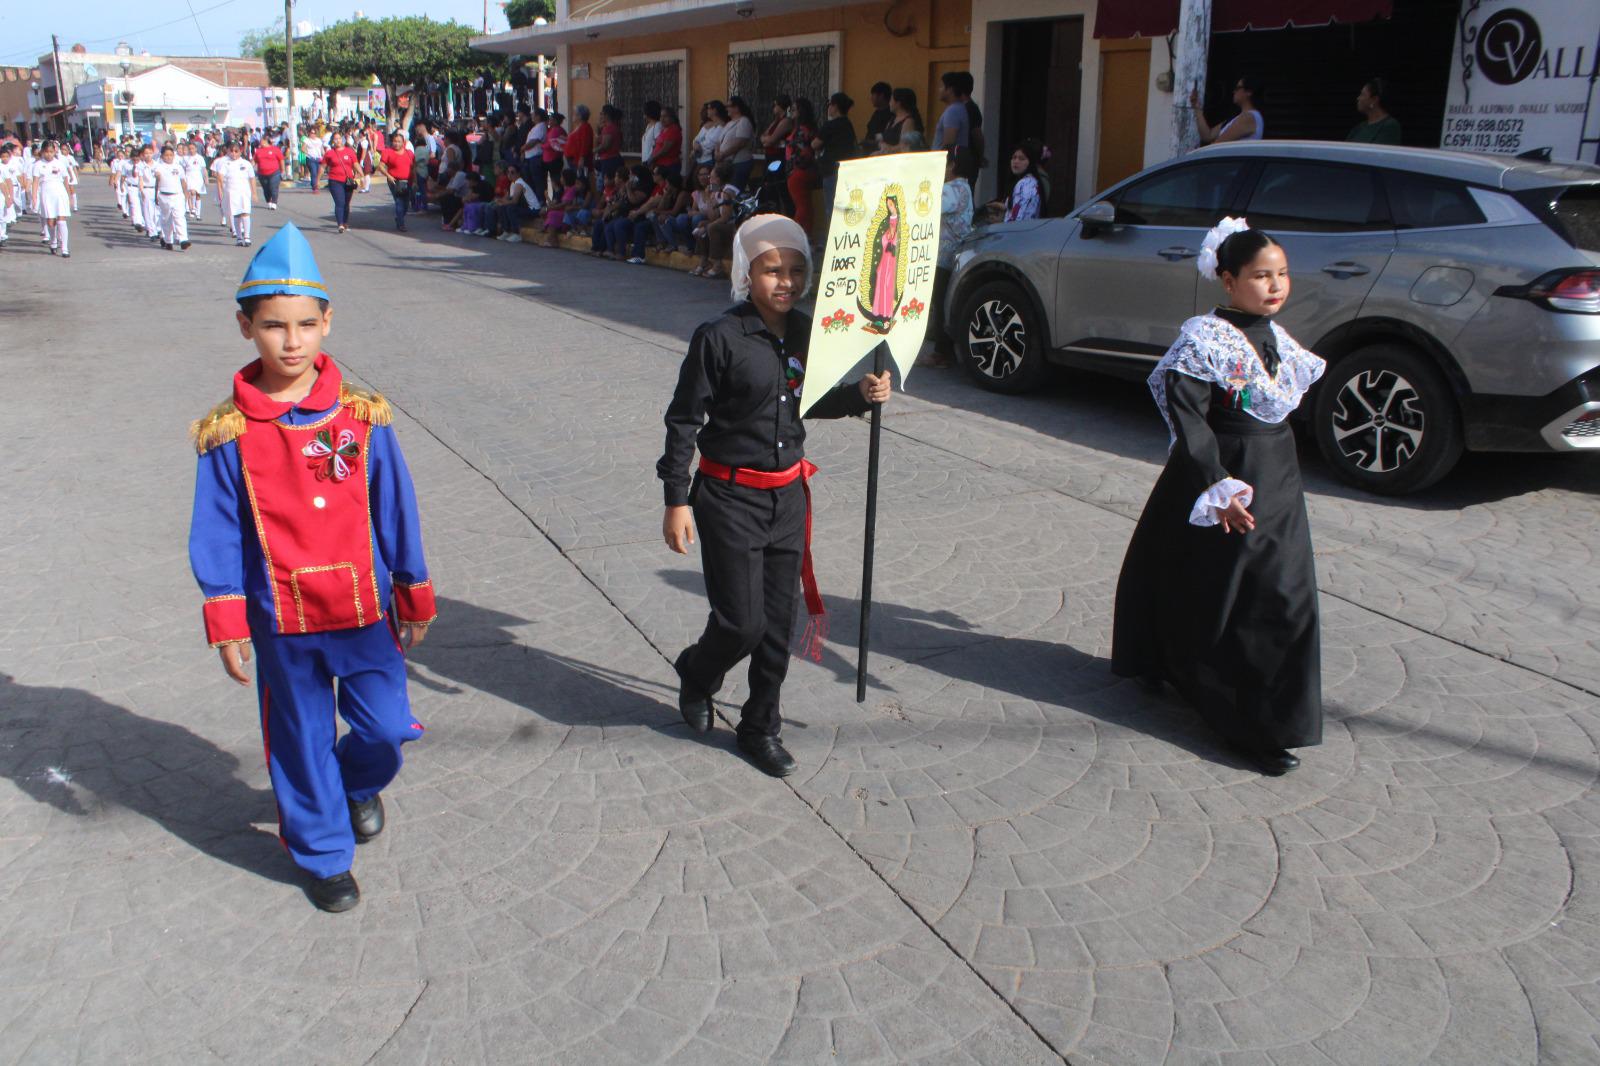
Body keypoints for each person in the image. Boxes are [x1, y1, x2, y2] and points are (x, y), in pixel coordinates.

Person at [187, 222, 437, 912]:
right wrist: (227, 618)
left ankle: (356, 784)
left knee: (387, 728)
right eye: (273, 326)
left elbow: (396, 507)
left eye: (305, 324)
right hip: (281, 621)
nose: (291, 342)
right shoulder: (227, 433)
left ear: (328, 322)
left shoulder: (362, 416)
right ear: (246, 328)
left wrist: (413, 591)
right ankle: (324, 854)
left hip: (361, 614)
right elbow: (214, 530)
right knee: (299, 742)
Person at [658, 214, 894, 778]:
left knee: (777, 627)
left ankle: (760, 726)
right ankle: (697, 671)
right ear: (746, 273)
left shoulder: (808, 332)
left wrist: (861, 394)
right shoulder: (718, 337)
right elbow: (684, 420)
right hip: (728, 498)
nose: (784, 281)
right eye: (771, 270)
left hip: (788, 499)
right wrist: (676, 499)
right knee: (741, 623)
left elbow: (808, 402)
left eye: (794, 270)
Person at [1112, 219, 1325, 777]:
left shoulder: (1277, 337)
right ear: (1227, 280)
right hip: (1227, 475)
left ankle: (1261, 712)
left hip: (1278, 476)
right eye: (1260, 276)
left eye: (1281, 274)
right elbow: (1190, 419)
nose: (1275, 286)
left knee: (1279, 591)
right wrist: (1217, 485)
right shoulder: (1205, 338)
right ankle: (1250, 726)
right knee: (1249, 594)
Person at [920, 146, 976, 368]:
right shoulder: (965, 187)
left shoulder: (951, 189)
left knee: (941, 302)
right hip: (956, 253)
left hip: (943, 256)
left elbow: (928, 208)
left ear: (952, 165)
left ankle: (941, 353)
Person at [813, 93, 857, 226]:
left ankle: (830, 242)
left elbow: (815, 144)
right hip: (847, 171)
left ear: (835, 106)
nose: (828, 108)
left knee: (831, 208)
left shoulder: (830, 125)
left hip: (831, 170)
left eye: (830, 105)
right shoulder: (848, 124)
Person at [783, 98, 820, 238]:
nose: (791, 112)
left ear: (801, 111)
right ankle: (807, 237)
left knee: (801, 206)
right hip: (807, 171)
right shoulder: (809, 128)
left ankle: (795, 237)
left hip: (797, 172)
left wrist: (794, 166)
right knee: (807, 205)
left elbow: (800, 152)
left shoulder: (800, 130)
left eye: (794, 109)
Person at [32, 141, 75, 257]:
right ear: (42, 152)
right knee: (51, 222)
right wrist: (34, 197)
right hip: (46, 193)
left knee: (61, 220)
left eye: (51, 152)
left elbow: (66, 180)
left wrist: (69, 196)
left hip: (60, 192)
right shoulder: (38, 165)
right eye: (46, 152)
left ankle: (65, 248)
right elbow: (35, 182)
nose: (49, 154)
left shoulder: (60, 163)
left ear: (55, 151)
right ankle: (54, 241)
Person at [1191, 76, 1264, 144]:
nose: (1234, 91)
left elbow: (1217, 145)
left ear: (1249, 92)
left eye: (1237, 88)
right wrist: (1196, 106)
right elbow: (1207, 136)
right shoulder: (1237, 118)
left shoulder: (1249, 117)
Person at [988, 139, 1047, 222]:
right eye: (1014, 157)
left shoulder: (1025, 184)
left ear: (1030, 162)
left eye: (1021, 159)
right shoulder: (1029, 182)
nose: (1016, 161)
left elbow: (1018, 218)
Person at [217, 141, 257, 247]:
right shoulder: (226, 164)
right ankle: (239, 237)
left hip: (244, 192)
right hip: (231, 192)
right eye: (232, 151)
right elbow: (220, 177)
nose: (234, 154)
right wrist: (221, 190)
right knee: (236, 214)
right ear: (228, 152)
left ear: (241, 151)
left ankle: (247, 237)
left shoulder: (246, 164)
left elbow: (252, 179)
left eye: (236, 151)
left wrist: (254, 193)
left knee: (245, 213)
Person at [153, 143, 191, 251]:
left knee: (179, 217)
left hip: (177, 195)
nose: (168, 157)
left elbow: (183, 181)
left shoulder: (178, 167)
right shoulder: (159, 166)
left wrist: (186, 193)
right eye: (166, 155)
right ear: (162, 156)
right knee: (166, 219)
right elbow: (157, 178)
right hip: (164, 196)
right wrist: (156, 195)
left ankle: (183, 239)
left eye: (170, 155)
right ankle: (168, 240)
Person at [374, 130, 415, 231]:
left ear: (403, 142)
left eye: (399, 141)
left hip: (408, 181)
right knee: (399, 202)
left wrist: (415, 180)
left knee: (406, 203)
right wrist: (388, 176)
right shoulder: (388, 152)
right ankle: (401, 223)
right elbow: (381, 166)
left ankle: (399, 217)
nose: (396, 143)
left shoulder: (409, 153)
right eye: (395, 141)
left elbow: (414, 167)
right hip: (394, 181)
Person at [493, 161, 540, 242]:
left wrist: (503, 202)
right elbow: (508, 198)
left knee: (510, 208)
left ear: (518, 174)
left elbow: (514, 201)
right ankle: (506, 231)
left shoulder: (519, 183)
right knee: (501, 207)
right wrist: (499, 201)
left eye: (512, 172)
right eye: (508, 172)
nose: (509, 174)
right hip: (524, 208)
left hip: (533, 210)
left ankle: (517, 234)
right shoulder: (513, 184)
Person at [323, 132, 359, 234]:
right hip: (335, 181)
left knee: (346, 204)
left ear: (342, 140)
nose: (338, 141)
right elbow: (322, 167)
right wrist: (316, 180)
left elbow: (355, 164)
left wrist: (362, 174)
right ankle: (340, 224)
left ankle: (345, 222)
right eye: (335, 139)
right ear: (332, 141)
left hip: (348, 182)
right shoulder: (329, 153)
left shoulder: (350, 151)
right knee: (340, 203)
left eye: (339, 138)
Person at [718, 96, 756, 191]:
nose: (727, 108)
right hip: (726, 163)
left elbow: (740, 143)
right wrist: (717, 152)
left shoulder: (744, 121)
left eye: (729, 106)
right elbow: (719, 141)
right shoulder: (729, 123)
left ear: (737, 108)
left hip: (739, 162)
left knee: (734, 190)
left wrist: (723, 154)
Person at [1348, 77, 1402, 145]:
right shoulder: (1359, 128)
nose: (1358, 98)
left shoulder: (1390, 126)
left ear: (1374, 99)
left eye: (1362, 95)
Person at [875, 88, 925, 154]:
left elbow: (905, 146)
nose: (889, 103)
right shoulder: (892, 120)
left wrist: (889, 148)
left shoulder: (908, 122)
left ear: (898, 103)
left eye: (891, 100)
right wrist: (882, 145)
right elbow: (884, 137)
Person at [934, 72, 971, 150]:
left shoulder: (953, 111)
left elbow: (949, 143)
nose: (939, 89)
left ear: (950, 89)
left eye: (942, 86)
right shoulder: (958, 108)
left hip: (945, 159)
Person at [134, 143, 159, 246]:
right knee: (148, 211)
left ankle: (158, 229)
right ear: (143, 155)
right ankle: (152, 232)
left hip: (157, 189)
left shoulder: (157, 164)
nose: (148, 155)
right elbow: (140, 179)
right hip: (146, 189)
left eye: (150, 153)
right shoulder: (140, 165)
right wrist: (141, 191)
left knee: (156, 212)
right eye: (146, 153)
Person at [692, 102, 726, 174]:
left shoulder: (721, 127)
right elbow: (696, 139)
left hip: (709, 162)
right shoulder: (711, 125)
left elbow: (710, 145)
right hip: (700, 161)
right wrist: (696, 144)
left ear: (715, 110)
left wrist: (697, 147)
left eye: (709, 108)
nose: (707, 110)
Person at [860, 82, 892, 154]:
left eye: (873, 95)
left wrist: (868, 142)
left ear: (881, 96)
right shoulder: (876, 113)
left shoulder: (890, 115)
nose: (871, 98)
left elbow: (887, 137)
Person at [594, 104, 625, 184]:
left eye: (602, 114)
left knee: (608, 184)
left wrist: (592, 151)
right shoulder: (608, 127)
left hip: (609, 160)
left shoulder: (609, 128)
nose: (600, 116)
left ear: (606, 115)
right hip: (609, 159)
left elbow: (605, 145)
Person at [254, 135, 284, 210]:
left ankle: (274, 202)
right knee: (266, 189)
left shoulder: (275, 149)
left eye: (261, 140)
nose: (260, 142)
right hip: (262, 173)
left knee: (273, 187)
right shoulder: (258, 151)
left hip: (274, 172)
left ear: (265, 140)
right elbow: (254, 161)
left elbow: (281, 160)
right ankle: (269, 201)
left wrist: (283, 170)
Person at [649, 107, 683, 172]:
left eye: (665, 116)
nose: (662, 119)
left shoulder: (673, 130)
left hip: (669, 165)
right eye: (661, 116)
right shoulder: (665, 129)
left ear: (672, 118)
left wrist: (652, 159)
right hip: (660, 164)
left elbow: (665, 150)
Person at [565, 104, 595, 178]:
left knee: (581, 180)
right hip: (572, 159)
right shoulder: (579, 127)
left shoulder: (585, 127)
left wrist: (582, 158)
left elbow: (585, 144)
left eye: (575, 113)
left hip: (578, 160)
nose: (573, 115)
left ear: (580, 116)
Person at [182, 141, 208, 222]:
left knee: (198, 195)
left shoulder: (200, 158)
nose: (191, 150)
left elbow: (203, 169)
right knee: (191, 192)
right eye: (189, 149)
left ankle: (198, 213)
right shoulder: (185, 158)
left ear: (196, 149)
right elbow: (182, 168)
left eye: (193, 148)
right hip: (189, 176)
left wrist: (206, 178)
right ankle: (192, 208)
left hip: (198, 177)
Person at [0, 141, 18, 249]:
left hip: (1, 195)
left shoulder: (2, 168)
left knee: (1, 217)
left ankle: (2, 236)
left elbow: (7, 182)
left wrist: (9, 197)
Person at [302, 126, 325, 191]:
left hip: (318, 158)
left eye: (314, 133)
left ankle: (317, 184)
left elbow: (322, 149)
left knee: (318, 172)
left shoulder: (319, 140)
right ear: (309, 133)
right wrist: (308, 153)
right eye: (312, 133)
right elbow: (303, 148)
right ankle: (314, 186)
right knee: (313, 171)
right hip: (310, 158)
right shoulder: (307, 140)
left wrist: (324, 155)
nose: (313, 134)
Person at [640, 100, 662, 167]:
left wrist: (652, 160)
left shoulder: (658, 126)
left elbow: (658, 145)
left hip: (652, 162)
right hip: (645, 161)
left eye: (644, 112)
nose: (643, 114)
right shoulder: (649, 125)